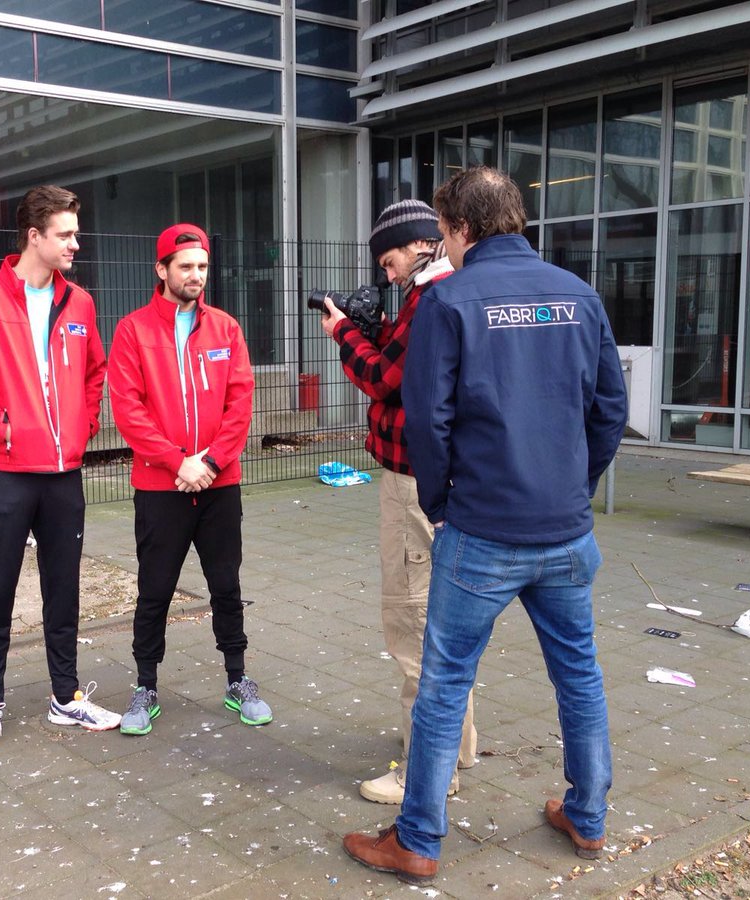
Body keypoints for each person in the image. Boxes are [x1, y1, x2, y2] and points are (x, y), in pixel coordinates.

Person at [342, 167, 628, 885]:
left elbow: (428, 420)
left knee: (443, 684)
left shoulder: (451, 300)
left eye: (444, 232)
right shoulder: (579, 295)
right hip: (564, 531)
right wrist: (574, 488)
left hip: (482, 531)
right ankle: (588, 818)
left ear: (460, 228)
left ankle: (417, 840)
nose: (444, 244)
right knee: (579, 675)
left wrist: (439, 503)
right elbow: (609, 412)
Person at [0, 184, 121, 753]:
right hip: (8, 473)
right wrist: (2, 426)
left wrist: (85, 425)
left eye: (76, 234)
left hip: (64, 474)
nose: (75, 244)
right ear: (33, 237)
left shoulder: (81, 303)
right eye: (64, 235)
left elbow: (96, 371)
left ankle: (66, 697)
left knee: (63, 591)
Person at [319, 199, 477, 804]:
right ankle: (456, 748)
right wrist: (374, 329)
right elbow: (402, 361)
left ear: (420, 244)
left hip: (414, 482)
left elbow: (388, 380)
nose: (386, 275)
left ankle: (424, 772)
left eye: (389, 261)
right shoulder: (440, 292)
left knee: (413, 622)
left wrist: (343, 333)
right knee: (448, 625)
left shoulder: (436, 295)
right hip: (443, 481)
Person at [108, 223, 272, 736]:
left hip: (218, 484)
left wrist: (213, 463)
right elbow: (128, 409)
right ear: (161, 270)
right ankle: (145, 686)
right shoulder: (133, 331)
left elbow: (240, 401)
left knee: (226, 582)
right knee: (154, 589)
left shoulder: (225, 328)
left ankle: (238, 679)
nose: (197, 275)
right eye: (186, 267)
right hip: (162, 486)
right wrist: (178, 462)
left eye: (202, 267)